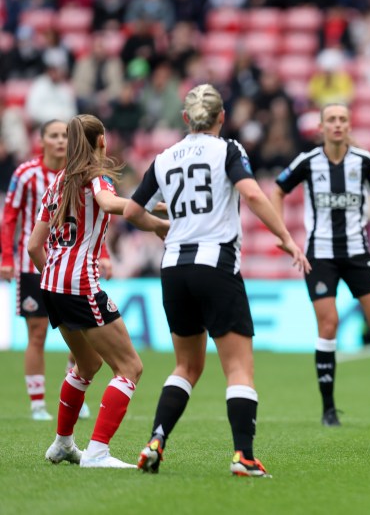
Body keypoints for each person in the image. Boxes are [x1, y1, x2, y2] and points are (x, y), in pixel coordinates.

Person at [125, 84, 309, 477]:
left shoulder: (164, 157)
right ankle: (243, 456)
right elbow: (254, 195)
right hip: (216, 264)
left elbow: (130, 211)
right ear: (222, 117)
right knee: (239, 368)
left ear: (185, 118)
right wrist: (286, 237)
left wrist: (160, 226)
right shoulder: (228, 150)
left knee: (186, 366)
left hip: (174, 268)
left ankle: (156, 439)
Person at [270, 103, 370, 427]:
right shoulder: (308, 162)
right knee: (328, 326)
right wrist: (284, 235)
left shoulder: (364, 161)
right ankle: (328, 409)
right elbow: (277, 190)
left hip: (357, 254)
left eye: (342, 119)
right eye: (332, 120)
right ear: (322, 126)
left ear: (349, 124)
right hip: (321, 257)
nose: (337, 125)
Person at [27, 114, 168, 468]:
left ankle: (62, 444)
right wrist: (157, 223)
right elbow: (108, 204)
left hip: (51, 284)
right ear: (101, 141)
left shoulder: (58, 181)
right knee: (130, 367)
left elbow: (33, 246)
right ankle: (97, 452)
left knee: (88, 363)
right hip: (79, 285)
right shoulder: (96, 177)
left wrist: (56, 281)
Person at [2, 120, 93, 421]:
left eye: (65, 136)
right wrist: (6, 257)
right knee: (37, 334)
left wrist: (102, 253)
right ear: (41, 141)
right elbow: (10, 216)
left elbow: (95, 216)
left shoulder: (79, 174)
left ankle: (75, 387)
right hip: (33, 265)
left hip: (71, 264)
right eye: (53, 135)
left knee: (81, 331)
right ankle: (38, 403)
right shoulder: (26, 174)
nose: (59, 141)